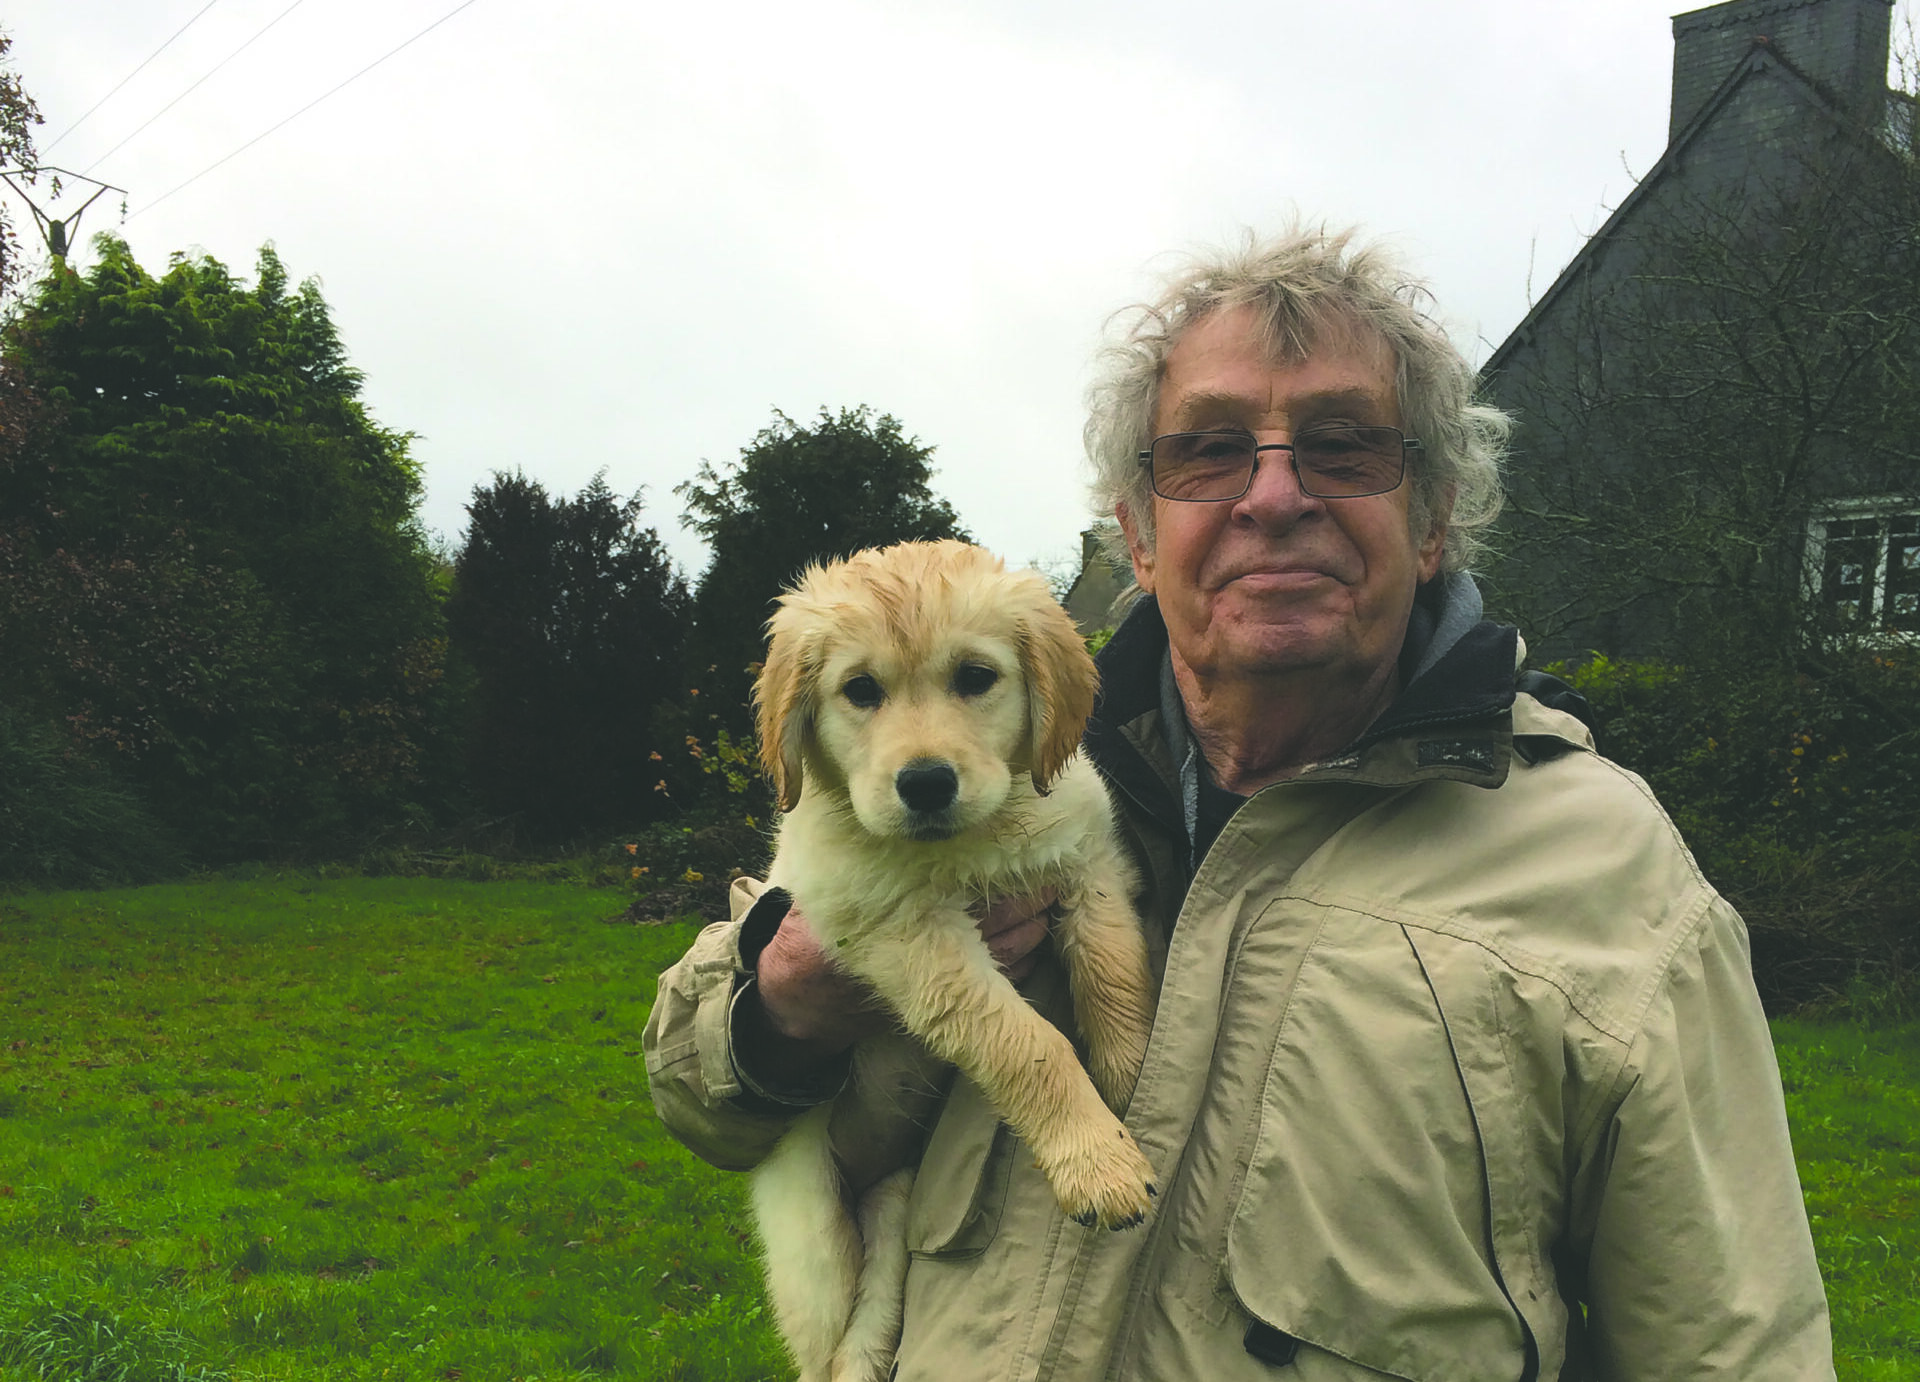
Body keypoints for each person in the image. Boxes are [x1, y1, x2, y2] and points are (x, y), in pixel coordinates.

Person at [643, 227, 1834, 1379]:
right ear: (1138, 529)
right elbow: (700, 1098)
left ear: (1434, 519)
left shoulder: (1609, 875)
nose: (1273, 498)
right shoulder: (1040, 763)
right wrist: (784, 1003)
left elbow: (1733, 1342)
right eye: (1208, 451)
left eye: (1344, 445)